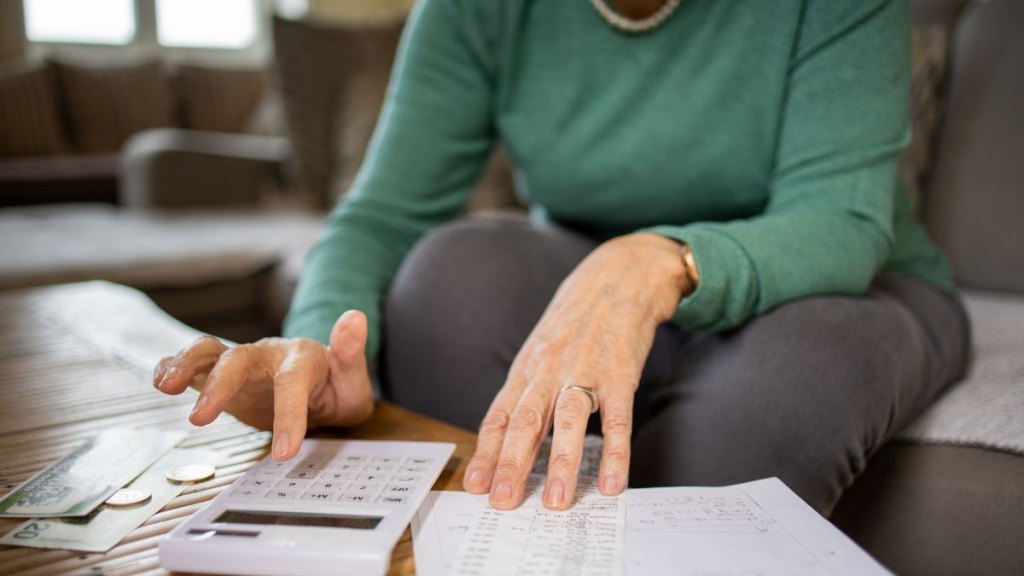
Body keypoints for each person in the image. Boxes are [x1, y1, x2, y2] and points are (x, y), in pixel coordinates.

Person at [154, 0, 969, 516]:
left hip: (830, 284)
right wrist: (317, 346)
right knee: (449, 273)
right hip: (588, 265)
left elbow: (839, 223)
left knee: (775, 404)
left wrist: (654, 262)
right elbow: (383, 212)